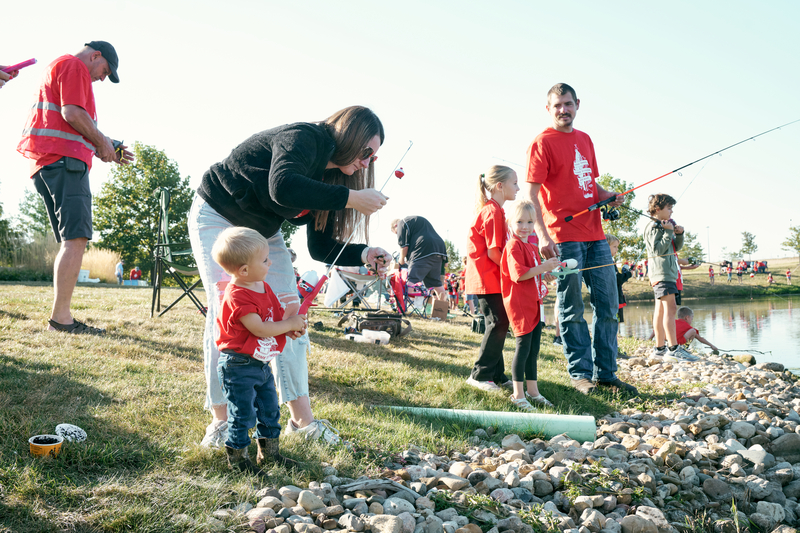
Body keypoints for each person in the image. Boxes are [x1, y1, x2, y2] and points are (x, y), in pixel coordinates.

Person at [188, 105, 391, 448]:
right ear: (350, 134)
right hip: (220, 215)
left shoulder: (334, 179)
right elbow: (282, 186)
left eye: (374, 157)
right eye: (366, 151)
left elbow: (321, 246)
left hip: (262, 231)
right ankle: (221, 421)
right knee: (226, 308)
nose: (368, 162)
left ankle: (303, 422)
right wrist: (352, 198)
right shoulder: (304, 137)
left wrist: (364, 253)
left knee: (292, 312)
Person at [524, 83, 635, 396]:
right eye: (557, 105)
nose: (563, 110)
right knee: (571, 308)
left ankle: (607, 375)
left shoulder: (585, 139)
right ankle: (581, 376)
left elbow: (589, 185)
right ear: (549, 109)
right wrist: (542, 235)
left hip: (596, 236)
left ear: (577, 104)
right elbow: (531, 193)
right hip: (563, 238)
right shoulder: (542, 142)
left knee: (609, 305)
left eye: (568, 104)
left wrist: (608, 195)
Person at [17, 41, 133, 335]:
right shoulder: (74, 66)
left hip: (49, 161)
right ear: (95, 56)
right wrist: (102, 143)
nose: (102, 78)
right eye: (105, 71)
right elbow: (73, 114)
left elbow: (67, 122)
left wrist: (107, 144)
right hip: (64, 163)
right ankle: (61, 319)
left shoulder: (61, 67)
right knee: (76, 237)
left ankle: (61, 317)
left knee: (71, 239)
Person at [211, 227, 306, 474]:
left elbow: (273, 320)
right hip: (238, 365)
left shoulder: (262, 286)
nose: (270, 262)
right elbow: (260, 328)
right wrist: (288, 324)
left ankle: (270, 454)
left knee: (270, 409)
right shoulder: (237, 295)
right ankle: (238, 460)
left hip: (261, 363)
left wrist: (289, 329)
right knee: (243, 414)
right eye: (264, 260)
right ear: (244, 270)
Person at [501, 201, 561, 411]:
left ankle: (533, 391)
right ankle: (518, 395)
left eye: (529, 222)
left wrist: (547, 273)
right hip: (520, 304)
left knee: (534, 348)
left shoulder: (532, 247)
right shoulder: (513, 246)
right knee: (523, 347)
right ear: (510, 222)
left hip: (534, 302)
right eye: (519, 221)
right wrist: (543, 267)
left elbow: (534, 273)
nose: (525, 227)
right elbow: (519, 275)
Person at [464, 165, 518, 392]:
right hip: (487, 278)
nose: (518, 188)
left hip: (490, 278)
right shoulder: (492, 212)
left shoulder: (496, 210)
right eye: (514, 183)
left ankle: (496, 375)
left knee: (497, 323)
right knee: (498, 323)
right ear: (500, 186)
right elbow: (494, 253)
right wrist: (515, 271)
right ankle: (479, 375)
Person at [644, 194, 694, 362]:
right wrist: (668, 232)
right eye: (669, 208)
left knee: (660, 311)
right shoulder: (654, 227)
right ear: (658, 209)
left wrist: (679, 234)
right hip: (662, 273)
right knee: (671, 309)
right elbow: (659, 250)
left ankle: (659, 349)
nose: (672, 211)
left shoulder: (664, 226)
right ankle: (673, 348)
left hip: (667, 273)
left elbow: (674, 247)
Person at [390, 216, 448, 300]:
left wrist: (401, 260)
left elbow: (404, 247)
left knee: (412, 279)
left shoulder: (402, 223)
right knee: (436, 283)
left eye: (396, 233)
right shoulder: (415, 222)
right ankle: (442, 306)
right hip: (439, 249)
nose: (398, 234)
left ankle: (404, 305)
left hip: (423, 249)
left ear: (395, 226)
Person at [606, 235, 632, 323]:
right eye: (614, 247)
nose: (617, 249)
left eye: (617, 247)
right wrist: (628, 274)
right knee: (614, 321)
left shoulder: (610, 261)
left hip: (615, 297)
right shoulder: (608, 262)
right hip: (613, 298)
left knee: (617, 321)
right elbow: (618, 279)